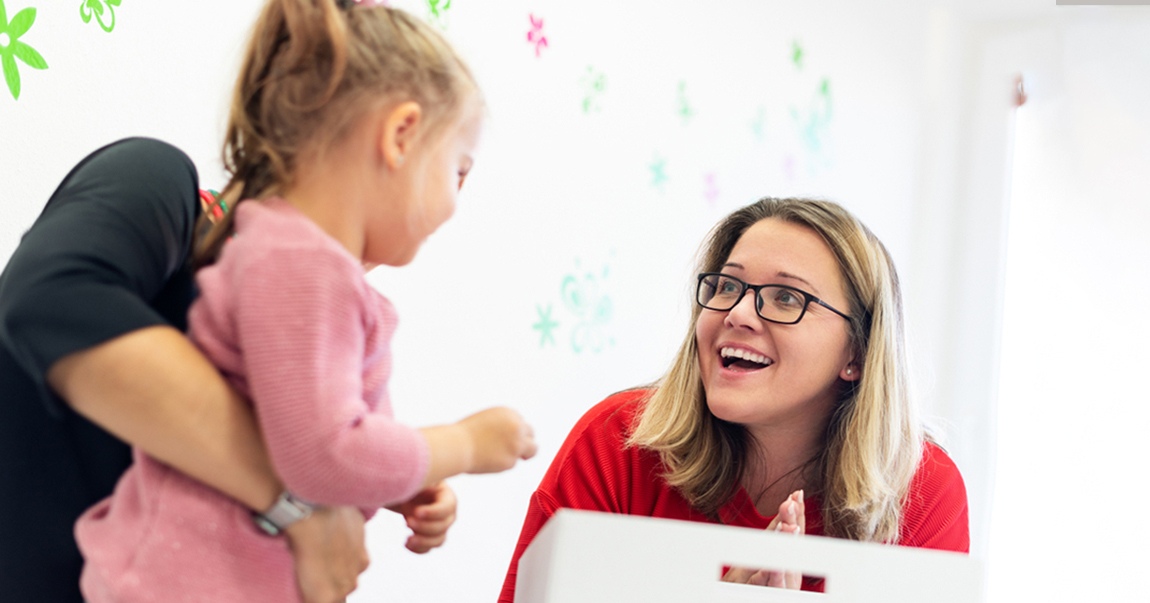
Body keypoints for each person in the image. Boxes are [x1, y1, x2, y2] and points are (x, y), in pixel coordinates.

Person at [68, 1, 538, 602]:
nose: (455, 203)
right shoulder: (302, 266)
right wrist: (462, 444)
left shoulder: (289, 253)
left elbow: (291, 430)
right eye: (459, 169)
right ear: (401, 136)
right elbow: (323, 454)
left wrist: (396, 482)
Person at [499, 197, 969, 600]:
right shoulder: (617, 444)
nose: (738, 312)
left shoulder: (922, 492)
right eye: (727, 286)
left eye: (787, 297)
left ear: (858, 353)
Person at [0, 135, 380, 603]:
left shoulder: (302, 343)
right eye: (453, 170)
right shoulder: (160, 184)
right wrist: (300, 509)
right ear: (391, 140)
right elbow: (48, 301)